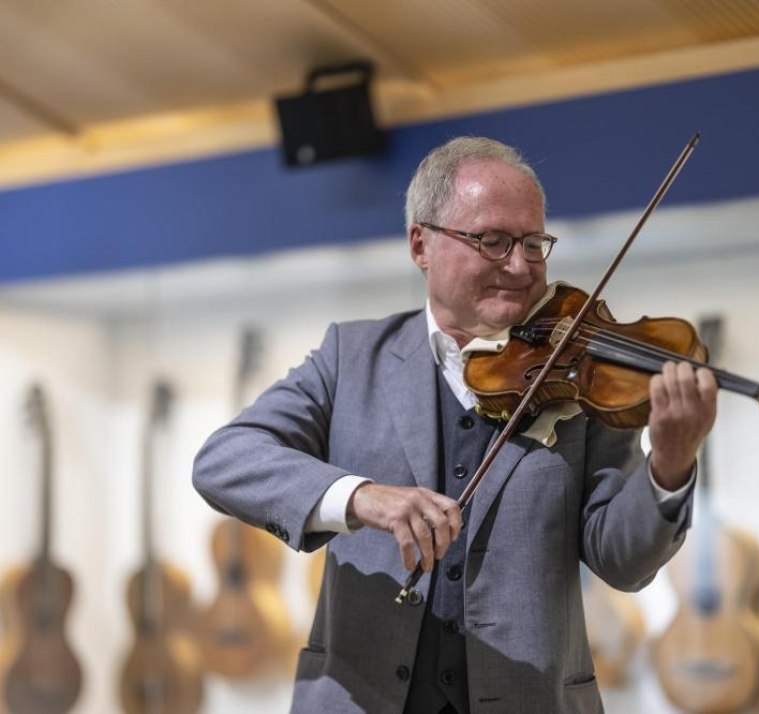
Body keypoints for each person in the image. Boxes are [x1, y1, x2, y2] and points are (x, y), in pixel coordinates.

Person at [192, 136, 717, 713]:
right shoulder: (351, 357)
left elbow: (625, 562)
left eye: (533, 243)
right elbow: (225, 459)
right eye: (492, 241)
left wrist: (670, 463)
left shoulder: (582, 374)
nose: (520, 266)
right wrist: (362, 497)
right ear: (421, 244)